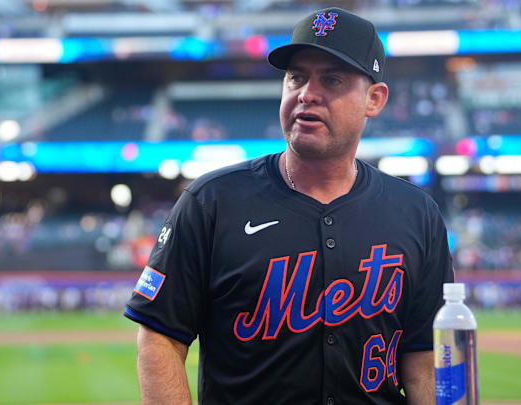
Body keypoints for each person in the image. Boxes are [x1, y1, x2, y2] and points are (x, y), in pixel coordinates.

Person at [125, 7, 454, 404]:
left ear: (374, 99)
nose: (307, 93)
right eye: (296, 77)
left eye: (331, 79)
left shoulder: (417, 214)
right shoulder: (211, 201)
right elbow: (160, 337)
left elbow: (423, 359)